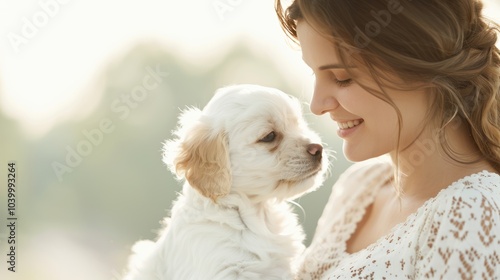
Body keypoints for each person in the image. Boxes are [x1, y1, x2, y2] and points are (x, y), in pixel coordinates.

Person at [275, 0, 500, 279]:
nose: (317, 105)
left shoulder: (473, 214)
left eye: (342, 77)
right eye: (315, 73)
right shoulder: (360, 188)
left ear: (422, 67)